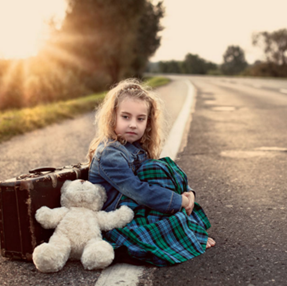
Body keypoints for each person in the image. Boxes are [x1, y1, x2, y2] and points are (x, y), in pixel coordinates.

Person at [87, 78, 215, 266]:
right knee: (155, 172)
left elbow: (162, 179)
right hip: (114, 216)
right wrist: (180, 201)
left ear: (148, 123)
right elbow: (139, 191)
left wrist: (188, 192)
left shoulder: (135, 147)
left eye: (140, 119)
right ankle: (180, 230)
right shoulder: (109, 154)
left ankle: (182, 228)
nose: (133, 124)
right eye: (125, 117)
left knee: (163, 166)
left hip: (132, 205)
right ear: (112, 117)